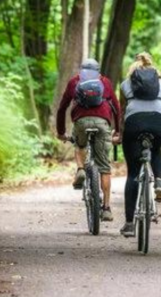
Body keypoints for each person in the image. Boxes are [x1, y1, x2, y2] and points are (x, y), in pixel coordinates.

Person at [113, 52, 161, 237]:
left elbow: (122, 111)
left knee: (132, 173)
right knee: (155, 148)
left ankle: (130, 223)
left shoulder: (125, 85)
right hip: (159, 123)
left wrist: (120, 133)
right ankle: (159, 182)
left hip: (134, 124)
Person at [56, 58, 121, 222]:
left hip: (81, 121)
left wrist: (61, 132)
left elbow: (62, 108)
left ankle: (80, 170)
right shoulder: (104, 81)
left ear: (81, 69)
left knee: (79, 144)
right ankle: (106, 208)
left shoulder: (74, 81)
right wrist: (118, 131)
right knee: (104, 167)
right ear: (98, 70)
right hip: (102, 123)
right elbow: (116, 107)